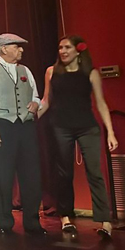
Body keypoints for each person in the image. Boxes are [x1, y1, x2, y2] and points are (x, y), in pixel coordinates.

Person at [39, 35, 119, 238]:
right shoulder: (51, 72)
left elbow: (100, 103)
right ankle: (66, 217)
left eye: (67, 47)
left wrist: (110, 131)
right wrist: (29, 119)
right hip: (60, 127)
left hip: (87, 126)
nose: (63, 51)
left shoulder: (90, 73)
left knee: (95, 173)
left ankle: (105, 221)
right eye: (60, 48)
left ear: (78, 50)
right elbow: (46, 100)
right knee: (64, 173)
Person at [0, 33, 45, 235]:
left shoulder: (25, 70)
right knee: (3, 176)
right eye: (17, 46)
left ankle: (32, 222)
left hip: (25, 126)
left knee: (31, 175)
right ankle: (5, 223)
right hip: (2, 126)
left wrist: (36, 103)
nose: (21, 50)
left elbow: (34, 94)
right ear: (4, 48)